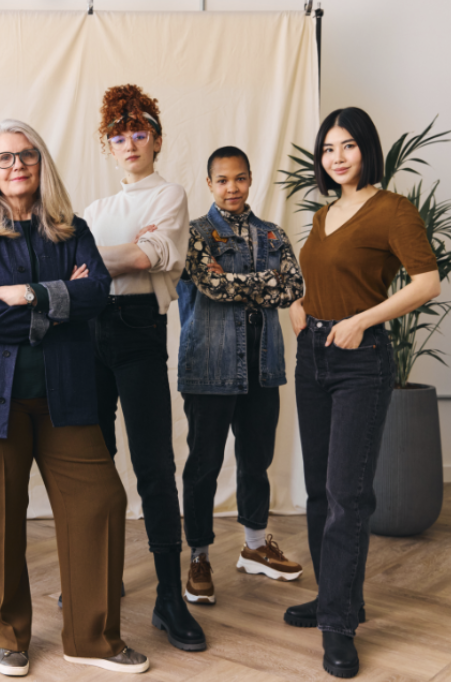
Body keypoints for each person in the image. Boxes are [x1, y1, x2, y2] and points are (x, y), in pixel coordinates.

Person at [0, 119, 149, 676]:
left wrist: (28, 294)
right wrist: (60, 304)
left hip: (65, 397)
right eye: (4, 158)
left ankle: (92, 639)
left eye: (27, 155)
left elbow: (97, 294)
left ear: (42, 162)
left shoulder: (72, 229)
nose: (17, 166)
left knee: (100, 503)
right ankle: (10, 637)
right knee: (0, 524)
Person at [285, 107, 440, 679]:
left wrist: (361, 320)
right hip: (313, 355)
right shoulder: (324, 213)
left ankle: (339, 624)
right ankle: (335, 597)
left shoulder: (393, 210)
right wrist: (298, 308)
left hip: (361, 358)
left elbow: (427, 281)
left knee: (347, 495)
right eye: (328, 148)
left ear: (366, 150)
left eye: (348, 145)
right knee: (319, 491)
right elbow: (316, 277)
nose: (337, 157)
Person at [82, 83, 205, 652]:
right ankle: (98, 582)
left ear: (156, 140)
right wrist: (111, 259)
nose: (128, 143)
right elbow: (119, 259)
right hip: (88, 331)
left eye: (138, 133)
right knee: (94, 461)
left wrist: (89, 261)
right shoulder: (95, 211)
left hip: (138, 331)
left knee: (154, 464)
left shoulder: (170, 195)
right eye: (118, 136)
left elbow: (146, 256)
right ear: (107, 147)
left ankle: (168, 598)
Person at [176, 146, 305, 607]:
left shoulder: (273, 234)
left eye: (240, 178)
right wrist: (264, 283)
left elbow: (293, 287)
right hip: (209, 366)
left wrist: (234, 285)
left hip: (263, 367)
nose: (232, 188)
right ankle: (199, 556)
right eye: (223, 180)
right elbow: (210, 285)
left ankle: (254, 547)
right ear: (209, 184)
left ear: (250, 179)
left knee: (256, 460)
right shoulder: (193, 233)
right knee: (204, 465)